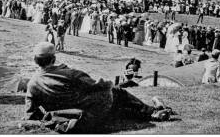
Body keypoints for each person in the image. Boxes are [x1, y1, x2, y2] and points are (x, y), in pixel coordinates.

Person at [25, 42, 172, 131]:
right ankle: (154, 112)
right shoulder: (69, 74)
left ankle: (154, 111)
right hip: (90, 114)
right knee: (116, 91)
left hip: (71, 119)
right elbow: (98, 85)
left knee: (120, 108)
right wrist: (107, 83)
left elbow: (30, 113)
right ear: (54, 58)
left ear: (35, 60)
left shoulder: (32, 84)